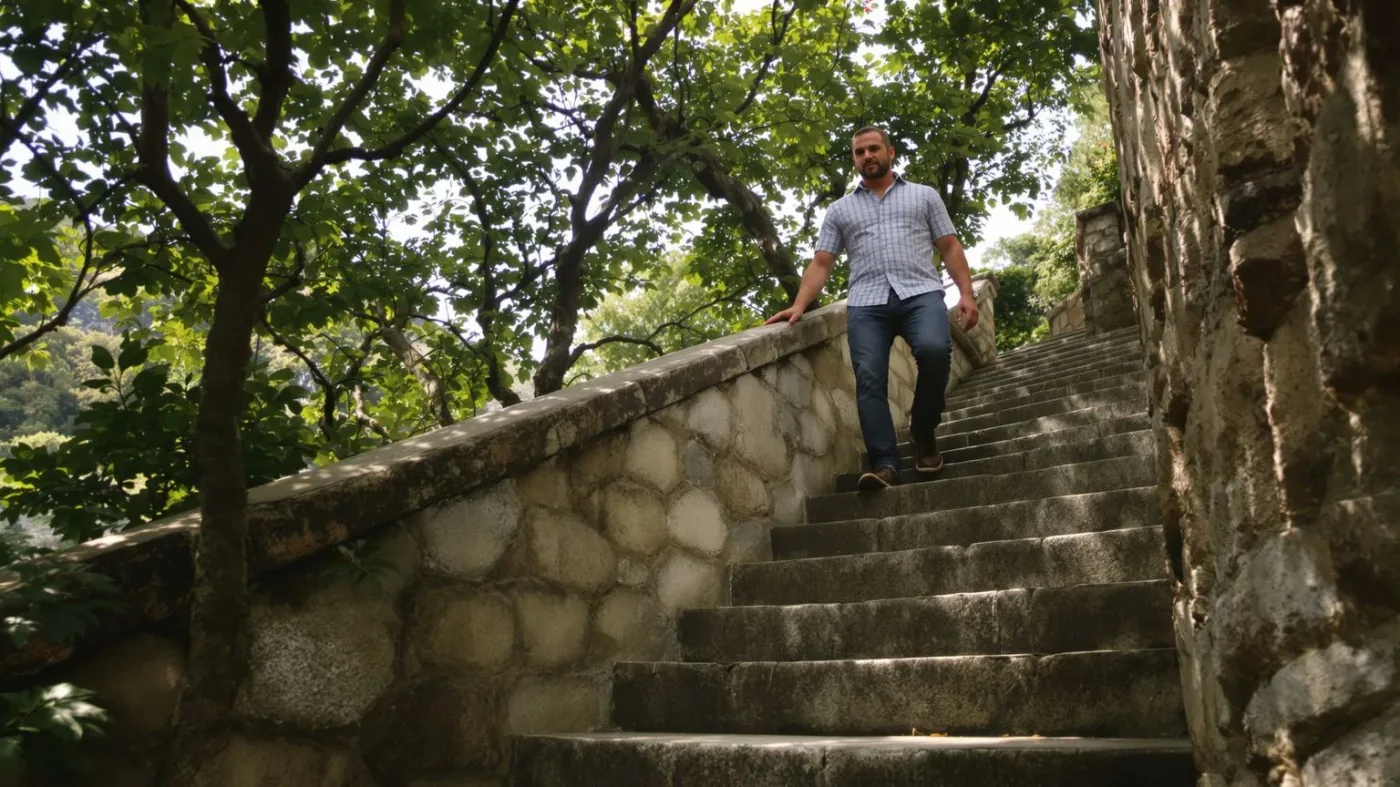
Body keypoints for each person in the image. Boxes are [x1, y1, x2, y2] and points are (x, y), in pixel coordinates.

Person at [765, 125, 979, 491]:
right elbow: (822, 262)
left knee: (933, 350)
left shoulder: (924, 196)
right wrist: (799, 305)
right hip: (866, 303)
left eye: (874, 149)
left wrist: (967, 294)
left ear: (890, 152)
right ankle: (884, 464)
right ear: (854, 160)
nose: (867, 156)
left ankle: (923, 430)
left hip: (920, 293)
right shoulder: (840, 210)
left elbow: (948, 246)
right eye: (859, 152)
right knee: (869, 381)